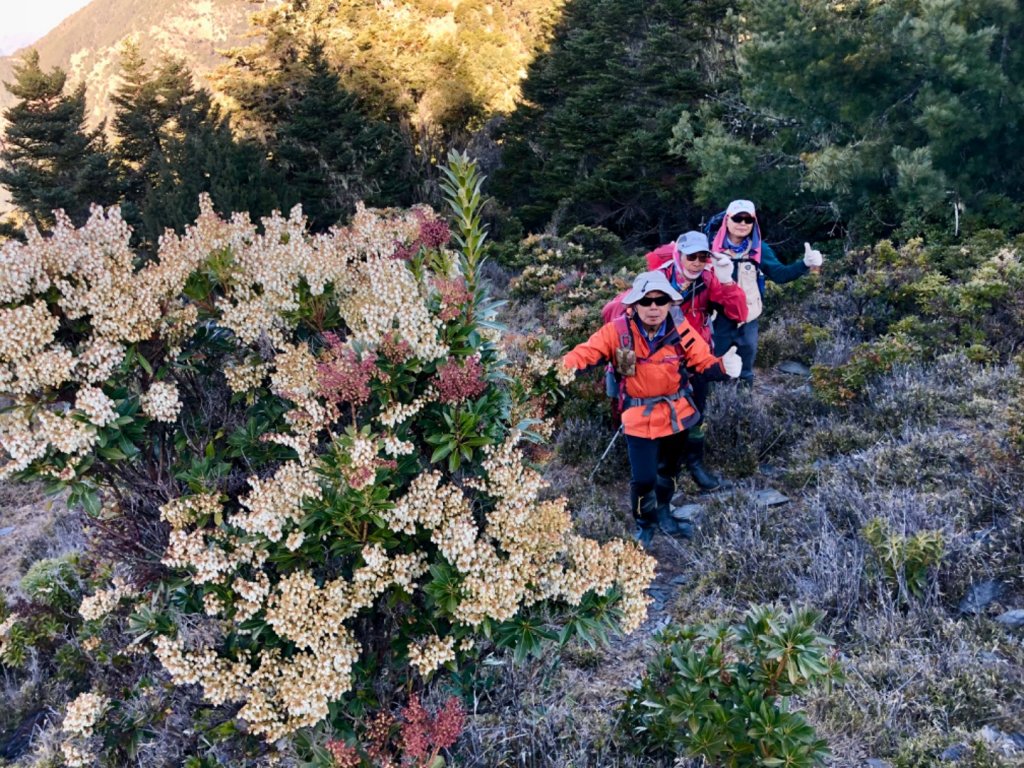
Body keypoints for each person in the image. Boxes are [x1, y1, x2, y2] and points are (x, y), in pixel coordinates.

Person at [564, 271, 742, 547]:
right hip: (637, 418)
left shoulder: (681, 329)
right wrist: (558, 369)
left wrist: (722, 367)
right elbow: (586, 352)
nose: (654, 307)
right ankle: (644, 524)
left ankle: (664, 513)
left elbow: (702, 360)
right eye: (647, 301)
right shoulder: (617, 331)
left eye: (661, 301)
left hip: (677, 414)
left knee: (669, 471)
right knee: (644, 478)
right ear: (635, 304)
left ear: (670, 303)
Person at [601, 231, 748, 490]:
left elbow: (739, 313)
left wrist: (727, 284)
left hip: (695, 356)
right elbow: (615, 311)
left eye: (704, 257)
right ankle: (658, 468)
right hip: (658, 359)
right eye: (691, 256)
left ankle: (694, 463)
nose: (697, 262)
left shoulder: (708, 279)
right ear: (679, 255)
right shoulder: (657, 279)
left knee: (695, 411)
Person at [705, 199, 823, 385]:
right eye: (737, 218)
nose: (742, 224)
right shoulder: (709, 248)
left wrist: (804, 264)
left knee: (745, 371)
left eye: (748, 220)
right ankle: (714, 407)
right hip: (717, 319)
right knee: (715, 366)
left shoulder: (760, 250)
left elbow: (780, 275)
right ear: (727, 219)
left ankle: (743, 407)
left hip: (749, 318)